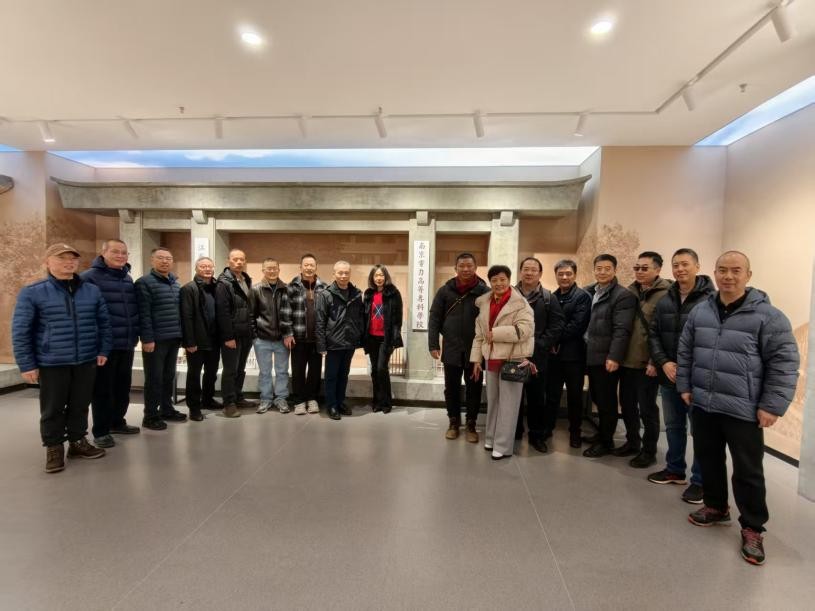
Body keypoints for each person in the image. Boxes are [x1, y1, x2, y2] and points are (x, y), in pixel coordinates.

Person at [677, 251, 799, 566]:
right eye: (722, 270)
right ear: (714, 272)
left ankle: (753, 527)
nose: (728, 276)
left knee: (748, 470)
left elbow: (784, 363)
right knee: (708, 459)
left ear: (748, 275)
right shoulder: (701, 311)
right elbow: (686, 350)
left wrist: (772, 405)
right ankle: (716, 507)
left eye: (735, 270)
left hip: (744, 407)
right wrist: (685, 386)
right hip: (705, 403)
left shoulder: (769, 317)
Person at [13, 243, 112, 472]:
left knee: (80, 405)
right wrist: (26, 364)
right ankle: (54, 447)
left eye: (73, 258)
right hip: (52, 361)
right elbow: (21, 331)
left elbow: (103, 323)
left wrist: (103, 350)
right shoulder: (33, 292)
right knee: (53, 408)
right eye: (62, 258)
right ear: (47, 262)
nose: (69, 262)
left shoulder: (91, 290)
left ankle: (77, 442)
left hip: (86, 359)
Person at [647, 248, 713, 503]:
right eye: (676, 265)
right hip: (669, 375)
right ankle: (675, 469)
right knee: (674, 426)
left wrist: (688, 368)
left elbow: (713, 342)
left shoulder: (711, 300)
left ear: (697, 266)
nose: (680, 269)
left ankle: (700, 481)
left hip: (698, 378)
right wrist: (663, 362)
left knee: (701, 432)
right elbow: (654, 334)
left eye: (685, 264)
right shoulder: (666, 299)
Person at [80, 238, 141, 447]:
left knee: (122, 387)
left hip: (126, 342)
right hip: (103, 347)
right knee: (103, 389)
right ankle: (101, 431)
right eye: (115, 252)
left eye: (124, 253)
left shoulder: (127, 278)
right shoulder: (88, 278)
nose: (120, 256)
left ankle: (117, 421)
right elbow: (85, 313)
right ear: (103, 253)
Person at [471, 265, 534, 460]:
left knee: (509, 405)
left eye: (502, 279)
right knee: (493, 402)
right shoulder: (484, 303)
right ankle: (491, 438)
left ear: (509, 280)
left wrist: (495, 334)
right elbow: (479, 335)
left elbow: (525, 330)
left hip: (512, 360)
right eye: (494, 280)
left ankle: (503, 446)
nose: (498, 283)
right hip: (491, 359)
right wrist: (476, 359)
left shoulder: (521, 304)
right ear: (490, 282)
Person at [617, 251, 672, 468]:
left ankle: (649, 451)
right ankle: (632, 442)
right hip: (626, 360)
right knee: (627, 405)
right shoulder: (630, 292)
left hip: (647, 363)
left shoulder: (666, 294)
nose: (639, 272)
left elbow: (664, 332)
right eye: (637, 268)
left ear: (657, 269)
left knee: (647, 409)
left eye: (644, 268)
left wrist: (654, 361)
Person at [428, 252, 490, 442]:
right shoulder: (445, 291)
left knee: (474, 388)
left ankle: (471, 424)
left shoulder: (484, 291)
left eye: (469, 265)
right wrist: (433, 344)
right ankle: (453, 422)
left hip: (476, 350)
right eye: (461, 266)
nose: (465, 269)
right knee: (451, 388)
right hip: (452, 348)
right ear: (455, 268)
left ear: (475, 268)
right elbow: (435, 317)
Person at [582, 254, 637, 458]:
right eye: (599, 268)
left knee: (606, 401)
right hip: (591, 353)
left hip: (606, 356)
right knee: (597, 396)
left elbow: (622, 330)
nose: (602, 272)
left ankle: (606, 442)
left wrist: (614, 357)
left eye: (607, 268)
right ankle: (602, 434)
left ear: (614, 270)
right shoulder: (590, 291)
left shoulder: (622, 295)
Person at [515, 257, 564, 453]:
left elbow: (557, 326)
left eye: (533, 270)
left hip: (538, 357)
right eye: (526, 269)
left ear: (540, 273)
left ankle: (536, 435)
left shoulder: (549, 298)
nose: (529, 273)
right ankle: (514, 432)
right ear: (520, 271)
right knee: (514, 398)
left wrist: (539, 345)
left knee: (537, 398)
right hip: (513, 356)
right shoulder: (510, 295)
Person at [136, 247, 186, 430]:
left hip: (173, 338)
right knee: (154, 378)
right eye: (160, 258)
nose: (165, 261)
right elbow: (144, 313)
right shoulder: (144, 283)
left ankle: (167, 409)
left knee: (168, 376)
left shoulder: (175, 284)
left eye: (168, 258)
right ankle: (150, 415)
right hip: (155, 340)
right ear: (152, 260)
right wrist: (147, 339)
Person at [546, 259, 592, 448]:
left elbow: (577, 325)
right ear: (556, 275)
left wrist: (554, 340)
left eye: (568, 274)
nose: (564, 277)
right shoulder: (552, 296)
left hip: (574, 357)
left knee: (574, 397)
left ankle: (575, 432)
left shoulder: (583, 297)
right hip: (554, 357)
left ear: (575, 275)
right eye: (560, 274)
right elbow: (549, 323)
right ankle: (547, 428)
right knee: (552, 395)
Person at [315, 260, 365, 420]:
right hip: (333, 342)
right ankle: (331, 405)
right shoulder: (325, 294)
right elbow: (320, 321)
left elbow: (360, 318)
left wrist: (359, 337)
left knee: (344, 374)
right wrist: (321, 345)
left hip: (349, 342)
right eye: (340, 273)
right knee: (331, 376)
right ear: (334, 274)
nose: (343, 276)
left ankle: (340, 401)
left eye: (346, 273)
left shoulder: (356, 294)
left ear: (350, 274)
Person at [216, 248, 256, 418]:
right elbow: (222, 312)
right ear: (228, 261)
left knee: (240, 368)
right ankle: (228, 404)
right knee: (230, 370)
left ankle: (238, 396)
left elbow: (248, 307)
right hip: (232, 335)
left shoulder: (246, 279)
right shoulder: (224, 283)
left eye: (242, 259)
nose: (239, 262)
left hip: (245, 333)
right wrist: (228, 336)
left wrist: (251, 331)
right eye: (235, 259)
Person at [180, 256, 221, 422]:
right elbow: (186, 316)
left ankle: (208, 399)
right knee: (194, 375)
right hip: (196, 341)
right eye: (203, 266)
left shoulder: (217, 287)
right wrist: (189, 342)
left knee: (211, 373)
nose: (207, 269)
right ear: (196, 269)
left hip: (214, 339)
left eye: (210, 266)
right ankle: (194, 407)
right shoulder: (189, 289)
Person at [252, 258, 294, 414]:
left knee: (282, 371)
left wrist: (288, 334)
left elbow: (290, 314)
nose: (272, 271)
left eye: (274, 268)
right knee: (265, 372)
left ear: (279, 269)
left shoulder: (286, 289)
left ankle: (281, 398)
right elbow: (251, 315)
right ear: (263, 270)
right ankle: (266, 399)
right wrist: (255, 336)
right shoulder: (256, 290)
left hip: (282, 339)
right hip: (262, 339)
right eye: (268, 268)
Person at [288, 253, 327, 415]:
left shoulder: (324, 287)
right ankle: (298, 400)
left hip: (317, 338)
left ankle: (312, 399)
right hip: (298, 337)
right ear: (301, 267)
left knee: (315, 371)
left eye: (312, 265)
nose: (309, 268)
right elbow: (285, 312)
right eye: (306, 265)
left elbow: (327, 314)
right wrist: (288, 333)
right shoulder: (292, 287)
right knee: (297, 370)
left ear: (316, 267)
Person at [363, 264, 404, 413]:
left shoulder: (393, 293)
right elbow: (365, 316)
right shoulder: (368, 294)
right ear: (372, 278)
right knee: (374, 370)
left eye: (381, 275)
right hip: (372, 338)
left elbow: (398, 318)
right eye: (376, 275)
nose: (379, 278)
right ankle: (377, 401)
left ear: (385, 277)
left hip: (386, 338)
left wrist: (394, 338)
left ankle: (386, 402)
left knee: (381, 368)